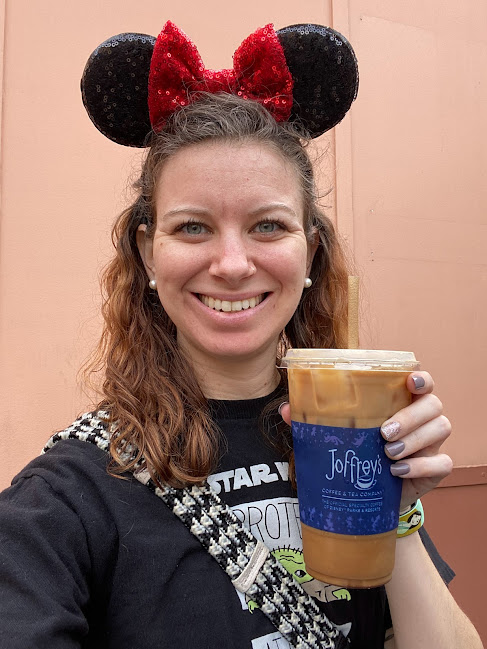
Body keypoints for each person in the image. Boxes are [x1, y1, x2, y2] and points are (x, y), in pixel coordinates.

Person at [0, 21, 482, 649]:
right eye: (193, 228)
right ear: (149, 254)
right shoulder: (72, 493)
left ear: (310, 251)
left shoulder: (350, 443)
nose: (231, 264)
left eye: (268, 226)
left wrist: (398, 511)